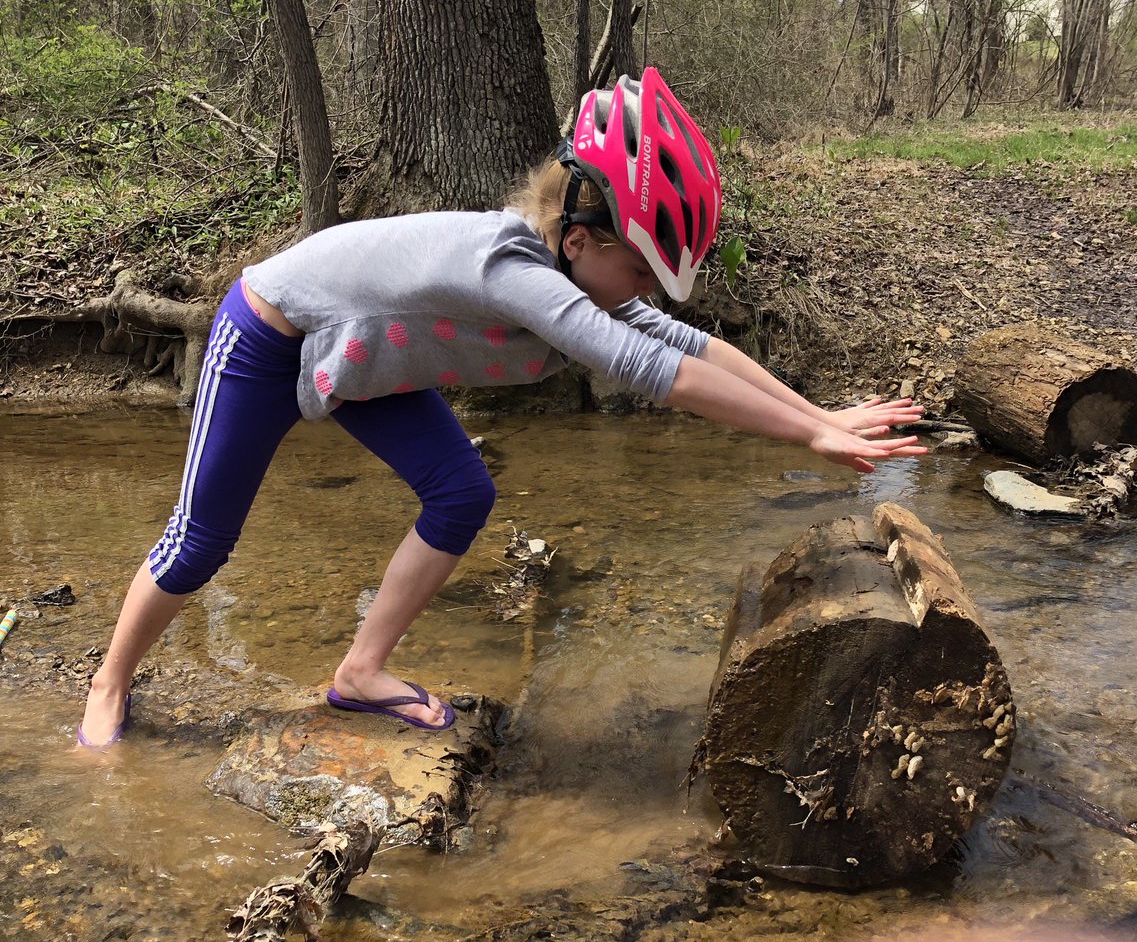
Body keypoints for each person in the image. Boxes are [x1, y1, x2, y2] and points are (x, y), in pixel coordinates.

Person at [77, 68, 925, 748]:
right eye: (638, 272)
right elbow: (647, 369)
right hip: (269, 336)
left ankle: (360, 674)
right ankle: (111, 679)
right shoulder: (510, 270)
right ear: (581, 239)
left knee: (460, 493)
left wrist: (820, 413)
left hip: (367, 359)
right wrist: (810, 433)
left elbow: (690, 345)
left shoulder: (579, 271)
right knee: (202, 543)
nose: (641, 295)